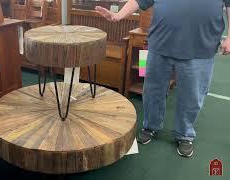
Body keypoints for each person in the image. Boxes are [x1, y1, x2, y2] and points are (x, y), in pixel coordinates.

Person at [96, 0, 230, 157]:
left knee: (192, 96)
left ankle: (185, 134)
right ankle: (150, 126)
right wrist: (118, 15)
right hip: (158, 45)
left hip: (200, 48)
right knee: (151, 91)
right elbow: (138, 1)